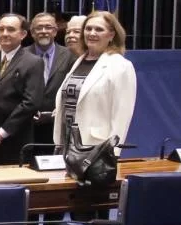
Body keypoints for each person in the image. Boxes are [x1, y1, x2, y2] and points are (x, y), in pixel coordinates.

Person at [54, 11, 136, 154]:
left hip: (95, 148)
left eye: (99, 29)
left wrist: (112, 153)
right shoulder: (79, 62)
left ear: (111, 35)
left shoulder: (121, 66)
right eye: (88, 28)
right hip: (65, 143)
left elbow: (121, 117)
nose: (92, 33)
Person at [25, 11, 75, 225]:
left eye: (48, 27)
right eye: (39, 28)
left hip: (58, 128)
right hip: (28, 128)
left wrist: (54, 115)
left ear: (56, 31)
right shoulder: (23, 54)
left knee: (57, 177)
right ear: (31, 32)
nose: (43, 31)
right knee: (30, 178)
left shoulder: (70, 56)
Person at [0, 13, 44, 166]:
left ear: (23, 34)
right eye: (1, 29)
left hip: (15, 140)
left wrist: (1, 133)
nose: (4, 33)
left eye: (10, 29)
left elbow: (31, 103)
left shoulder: (33, 62)